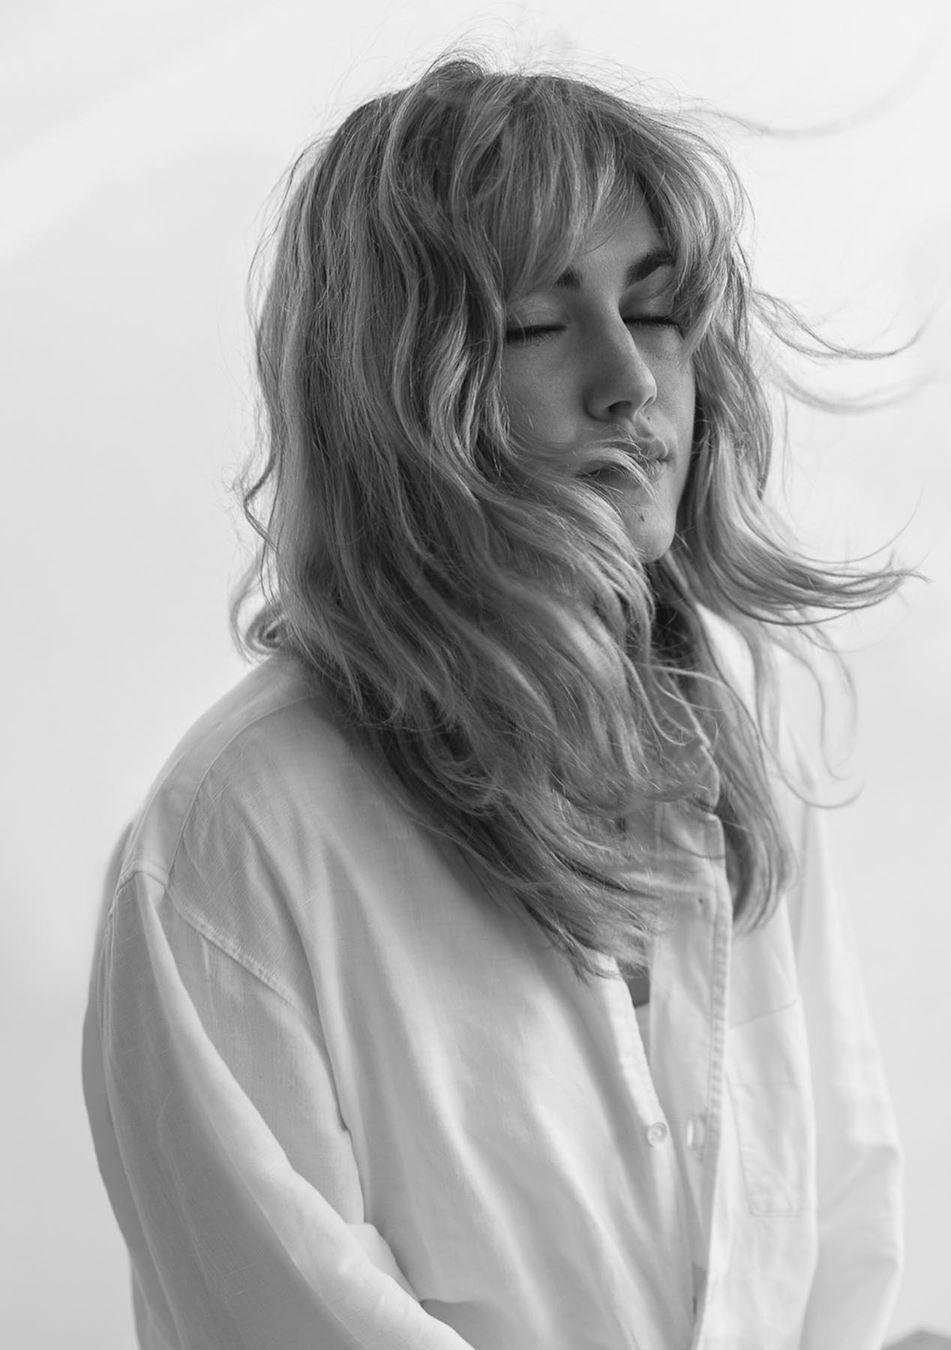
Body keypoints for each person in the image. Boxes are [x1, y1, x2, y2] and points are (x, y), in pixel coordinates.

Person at [83, 51, 908, 1350]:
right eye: (536, 322)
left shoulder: (725, 725)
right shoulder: (233, 845)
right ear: (397, 389)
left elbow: (843, 1220)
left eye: (655, 309)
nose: (630, 381)